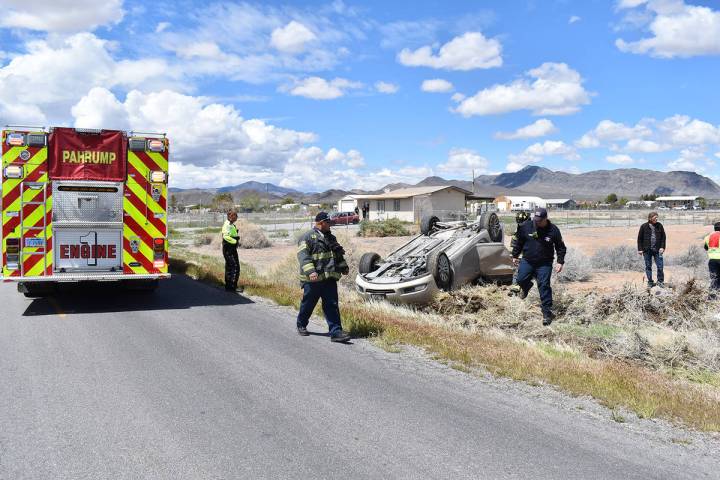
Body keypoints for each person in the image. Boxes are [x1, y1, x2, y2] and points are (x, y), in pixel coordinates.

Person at [296, 211, 351, 342]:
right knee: (308, 304)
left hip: (329, 278)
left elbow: (338, 254)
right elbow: (303, 257)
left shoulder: (331, 237)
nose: (330, 225)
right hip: (313, 280)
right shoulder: (307, 237)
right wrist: (311, 272)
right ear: (321, 223)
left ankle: (336, 332)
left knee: (331, 304)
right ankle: (301, 324)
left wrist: (343, 267)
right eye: (328, 223)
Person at [511, 207, 567, 326]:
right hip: (528, 260)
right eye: (535, 219)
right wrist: (515, 255)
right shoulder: (526, 227)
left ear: (546, 218)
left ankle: (547, 313)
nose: (537, 222)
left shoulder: (553, 230)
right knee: (520, 280)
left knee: (544, 285)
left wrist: (560, 262)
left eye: (540, 220)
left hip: (544, 263)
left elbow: (561, 247)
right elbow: (519, 242)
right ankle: (527, 286)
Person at [637, 211, 666, 288]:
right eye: (655, 217)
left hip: (658, 250)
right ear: (650, 218)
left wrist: (662, 247)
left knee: (660, 266)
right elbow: (639, 238)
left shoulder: (659, 225)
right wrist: (640, 249)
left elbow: (663, 237)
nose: (656, 219)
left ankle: (660, 281)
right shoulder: (643, 226)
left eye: (657, 217)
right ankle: (650, 282)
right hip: (647, 250)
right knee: (648, 266)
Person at [509, 211, 531, 295]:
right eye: (520, 222)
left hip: (533, 255)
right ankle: (515, 289)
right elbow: (514, 244)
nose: (522, 224)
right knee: (517, 270)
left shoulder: (535, 229)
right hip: (522, 255)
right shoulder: (518, 231)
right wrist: (515, 256)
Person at [221, 209, 243, 292]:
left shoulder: (230, 224)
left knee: (229, 266)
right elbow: (225, 236)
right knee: (235, 267)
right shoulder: (227, 225)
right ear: (231, 217)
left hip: (229, 248)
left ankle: (228, 286)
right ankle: (233, 286)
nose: (237, 217)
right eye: (235, 216)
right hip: (229, 248)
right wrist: (235, 241)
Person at [704, 222, 720, 298]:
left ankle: (713, 296)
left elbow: (706, 248)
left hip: (712, 260)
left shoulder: (708, 237)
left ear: (714, 228)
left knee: (714, 278)